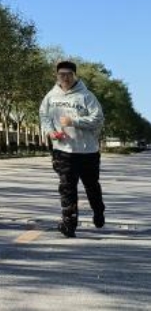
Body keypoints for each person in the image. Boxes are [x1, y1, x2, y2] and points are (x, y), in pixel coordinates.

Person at [39, 60, 106, 238]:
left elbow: (98, 119)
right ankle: (69, 223)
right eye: (62, 75)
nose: (65, 78)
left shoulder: (87, 96)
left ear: (75, 75)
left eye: (69, 74)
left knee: (91, 186)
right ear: (57, 76)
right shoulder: (51, 97)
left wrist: (74, 121)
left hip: (87, 151)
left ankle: (98, 210)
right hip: (63, 151)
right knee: (67, 188)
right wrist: (50, 132)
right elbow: (44, 117)